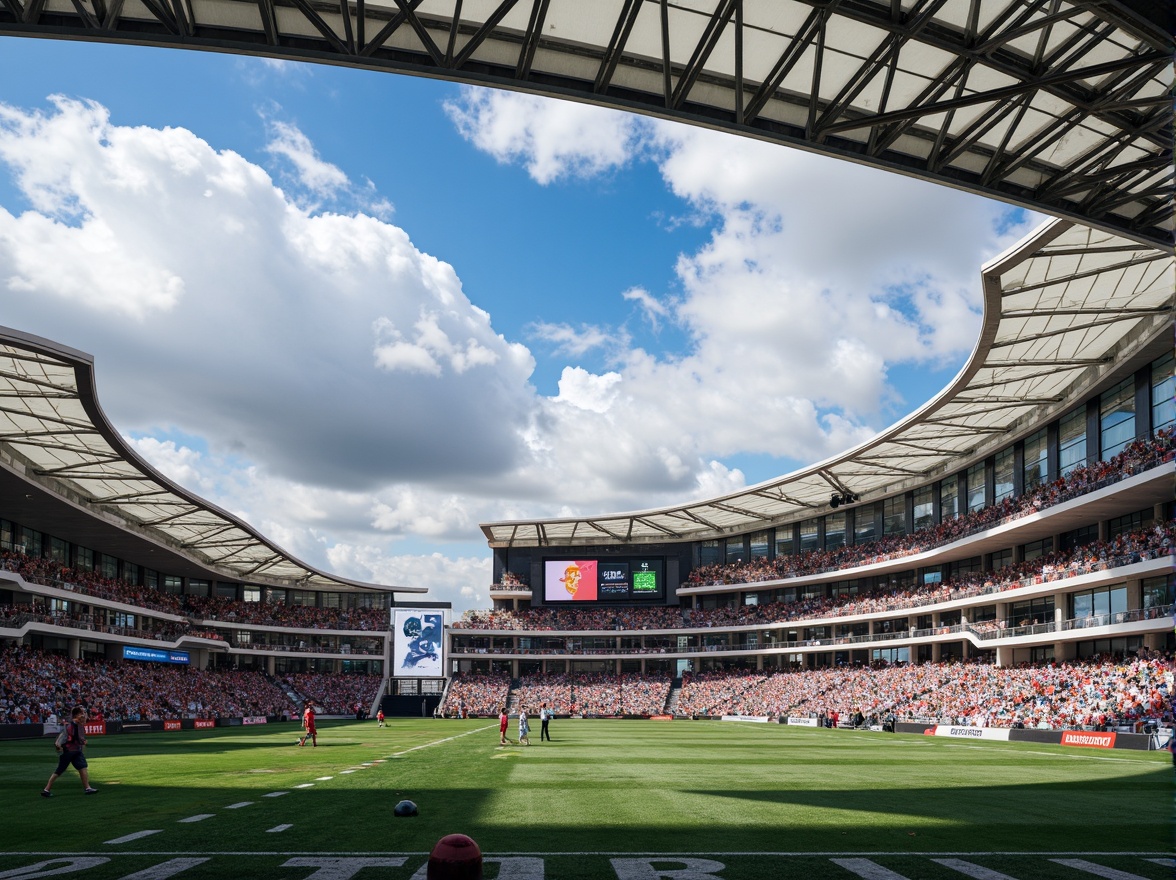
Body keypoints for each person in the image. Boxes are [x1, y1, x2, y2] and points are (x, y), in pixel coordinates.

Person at [43, 706, 97, 797]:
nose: (83, 715)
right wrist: (83, 742)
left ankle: (46, 789)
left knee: (72, 769)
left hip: (70, 751)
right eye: (81, 713)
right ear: (77, 715)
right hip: (71, 750)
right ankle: (87, 788)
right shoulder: (76, 725)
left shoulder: (71, 724)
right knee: (79, 768)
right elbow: (79, 738)